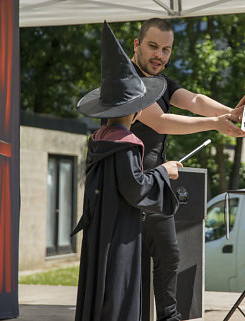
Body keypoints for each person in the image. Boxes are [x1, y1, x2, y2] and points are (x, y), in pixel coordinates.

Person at [129, 18, 245, 321]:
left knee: (168, 256)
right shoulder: (127, 81)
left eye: (166, 49)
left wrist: (230, 113)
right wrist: (216, 125)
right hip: (128, 182)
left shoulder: (162, 81)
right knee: (136, 264)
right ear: (136, 45)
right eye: (152, 46)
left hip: (155, 182)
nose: (159, 55)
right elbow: (161, 121)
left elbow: (194, 100)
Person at [72, 21, 183, 321]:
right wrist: (165, 172)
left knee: (102, 290)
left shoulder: (100, 139)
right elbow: (135, 188)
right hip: (120, 235)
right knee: (120, 295)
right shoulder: (126, 143)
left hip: (102, 233)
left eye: (166, 49)